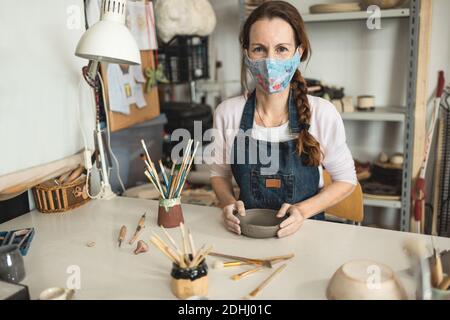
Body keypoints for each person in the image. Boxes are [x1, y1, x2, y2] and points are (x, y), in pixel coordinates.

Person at [210, 1, 357, 238]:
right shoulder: (228, 113)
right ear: (247, 53)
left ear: (298, 53)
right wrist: (227, 203)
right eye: (259, 49)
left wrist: (302, 210)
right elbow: (219, 174)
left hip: (306, 236)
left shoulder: (322, 113)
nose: (270, 61)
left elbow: (346, 180)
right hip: (245, 236)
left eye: (281, 49)